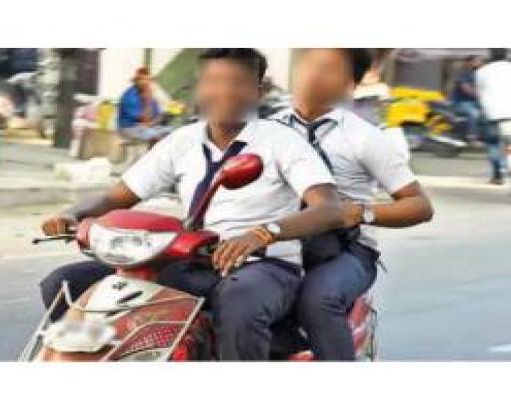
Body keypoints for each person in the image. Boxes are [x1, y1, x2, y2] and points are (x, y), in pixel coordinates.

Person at [39, 48, 344, 361]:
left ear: (258, 90)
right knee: (65, 284)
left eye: (238, 82)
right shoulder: (181, 141)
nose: (224, 91)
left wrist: (263, 233)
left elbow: (329, 208)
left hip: (262, 266)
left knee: (240, 302)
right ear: (199, 88)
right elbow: (116, 197)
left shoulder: (283, 142)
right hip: (189, 261)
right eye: (213, 81)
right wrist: (72, 214)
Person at [271, 48, 434, 360]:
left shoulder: (366, 137)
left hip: (346, 250)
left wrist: (362, 213)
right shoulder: (264, 131)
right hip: (277, 242)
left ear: (350, 85)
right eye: (309, 65)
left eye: (329, 69)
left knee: (318, 298)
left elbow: (420, 206)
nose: (313, 75)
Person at [475, 48, 511, 185]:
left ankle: (497, 175)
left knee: (493, 144)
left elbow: (479, 93)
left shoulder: (482, 71)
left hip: (491, 113)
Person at [116, 67, 171, 142]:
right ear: (137, 82)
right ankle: (153, 148)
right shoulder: (130, 96)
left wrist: (158, 119)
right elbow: (144, 120)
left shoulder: (149, 96)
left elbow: (157, 116)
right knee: (153, 134)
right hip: (128, 128)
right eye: (143, 80)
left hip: (145, 127)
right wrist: (148, 99)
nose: (147, 83)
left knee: (170, 131)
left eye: (148, 81)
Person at [450, 56, 484, 141]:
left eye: (480, 61)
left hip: (474, 102)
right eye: (477, 61)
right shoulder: (464, 74)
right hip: (462, 102)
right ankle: (472, 136)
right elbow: (466, 88)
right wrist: (479, 95)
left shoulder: (479, 74)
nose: (480, 63)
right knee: (474, 113)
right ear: (470, 62)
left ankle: (483, 135)